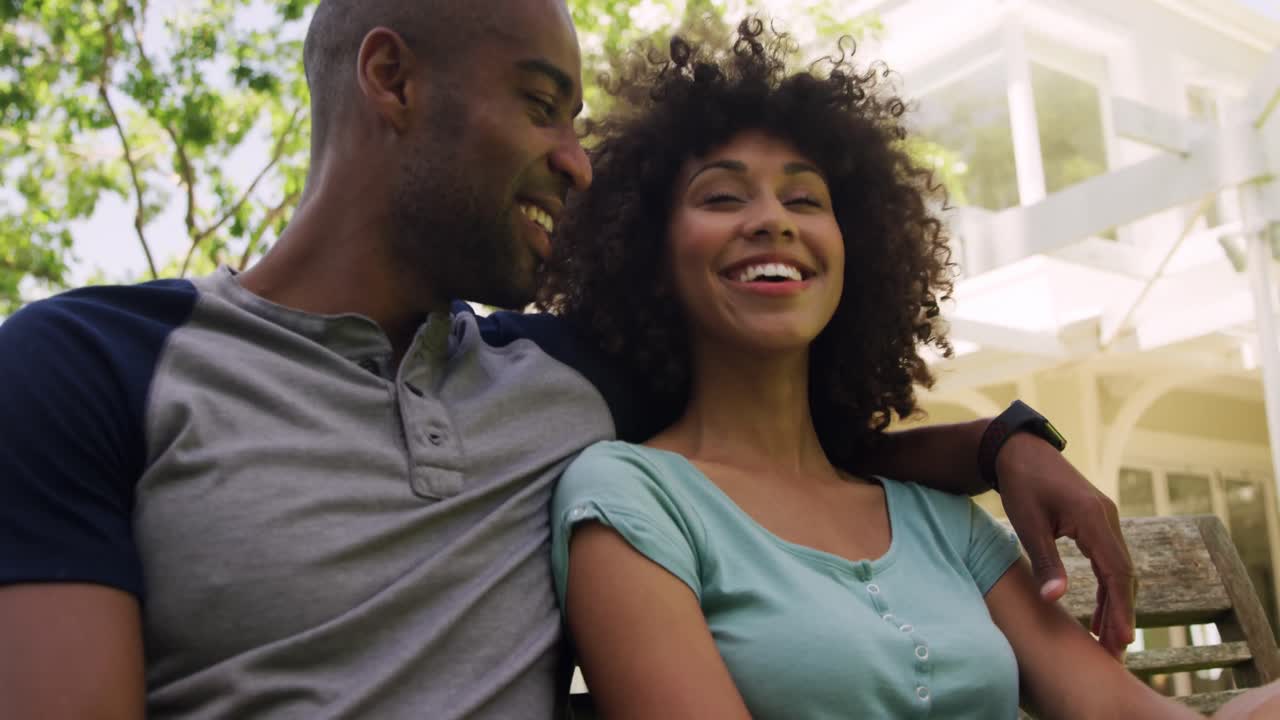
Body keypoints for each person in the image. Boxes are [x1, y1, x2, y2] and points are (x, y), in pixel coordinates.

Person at [0, 2, 1130, 718]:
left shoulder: (567, 381)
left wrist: (1000, 441)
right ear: (390, 81)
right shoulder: (85, 367)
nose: (576, 164)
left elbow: (793, 462)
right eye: (542, 106)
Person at [542, 19, 1277, 720]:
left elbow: (1118, 708)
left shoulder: (939, 521)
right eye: (723, 197)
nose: (774, 219)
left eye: (805, 199)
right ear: (649, 256)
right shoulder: (630, 497)